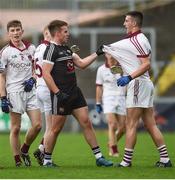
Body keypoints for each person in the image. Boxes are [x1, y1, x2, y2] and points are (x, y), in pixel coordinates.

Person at [103, 11, 172, 167]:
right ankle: (165, 159)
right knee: (150, 124)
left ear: (134, 23)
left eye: (126, 21)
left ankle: (126, 162)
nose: (124, 23)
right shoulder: (140, 39)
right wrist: (124, 70)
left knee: (131, 124)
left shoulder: (137, 40)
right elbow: (137, 62)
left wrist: (129, 77)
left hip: (138, 83)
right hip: (144, 82)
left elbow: (146, 64)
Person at [42, 19, 113, 167]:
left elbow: (81, 64)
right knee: (55, 129)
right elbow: (46, 74)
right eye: (65, 31)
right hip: (61, 95)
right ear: (56, 33)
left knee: (86, 122)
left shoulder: (67, 49)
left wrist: (97, 53)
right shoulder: (51, 50)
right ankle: (47, 160)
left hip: (75, 92)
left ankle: (99, 157)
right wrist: (57, 93)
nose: (68, 34)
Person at [0, 20, 42, 167]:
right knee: (16, 128)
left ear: (22, 31)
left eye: (18, 30)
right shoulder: (5, 52)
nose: (16, 33)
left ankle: (24, 149)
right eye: (12, 30)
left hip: (31, 91)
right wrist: (3, 97)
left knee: (37, 125)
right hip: (14, 92)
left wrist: (33, 79)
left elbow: (37, 69)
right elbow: (2, 76)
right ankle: (17, 159)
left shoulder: (32, 48)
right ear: (8, 33)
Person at [95, 53, 126, 157]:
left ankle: (111, 143)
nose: (112, 56)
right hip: (108, 98)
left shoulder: (122, 68)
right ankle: (114, 149)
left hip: (121, 98)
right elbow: (99, 87)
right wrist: (98, 102)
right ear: (106, 55)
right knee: (112, 124)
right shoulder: (101, 69)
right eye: (109, 54)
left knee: (123, 128)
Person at [33, 26, 52, 166]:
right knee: (51, 127)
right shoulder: (49, 49)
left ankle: (41, 149)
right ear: (48, 34)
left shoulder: (38, 48)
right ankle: (44, 156)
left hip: (38, 88)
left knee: (50, 127)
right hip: (47, 88)